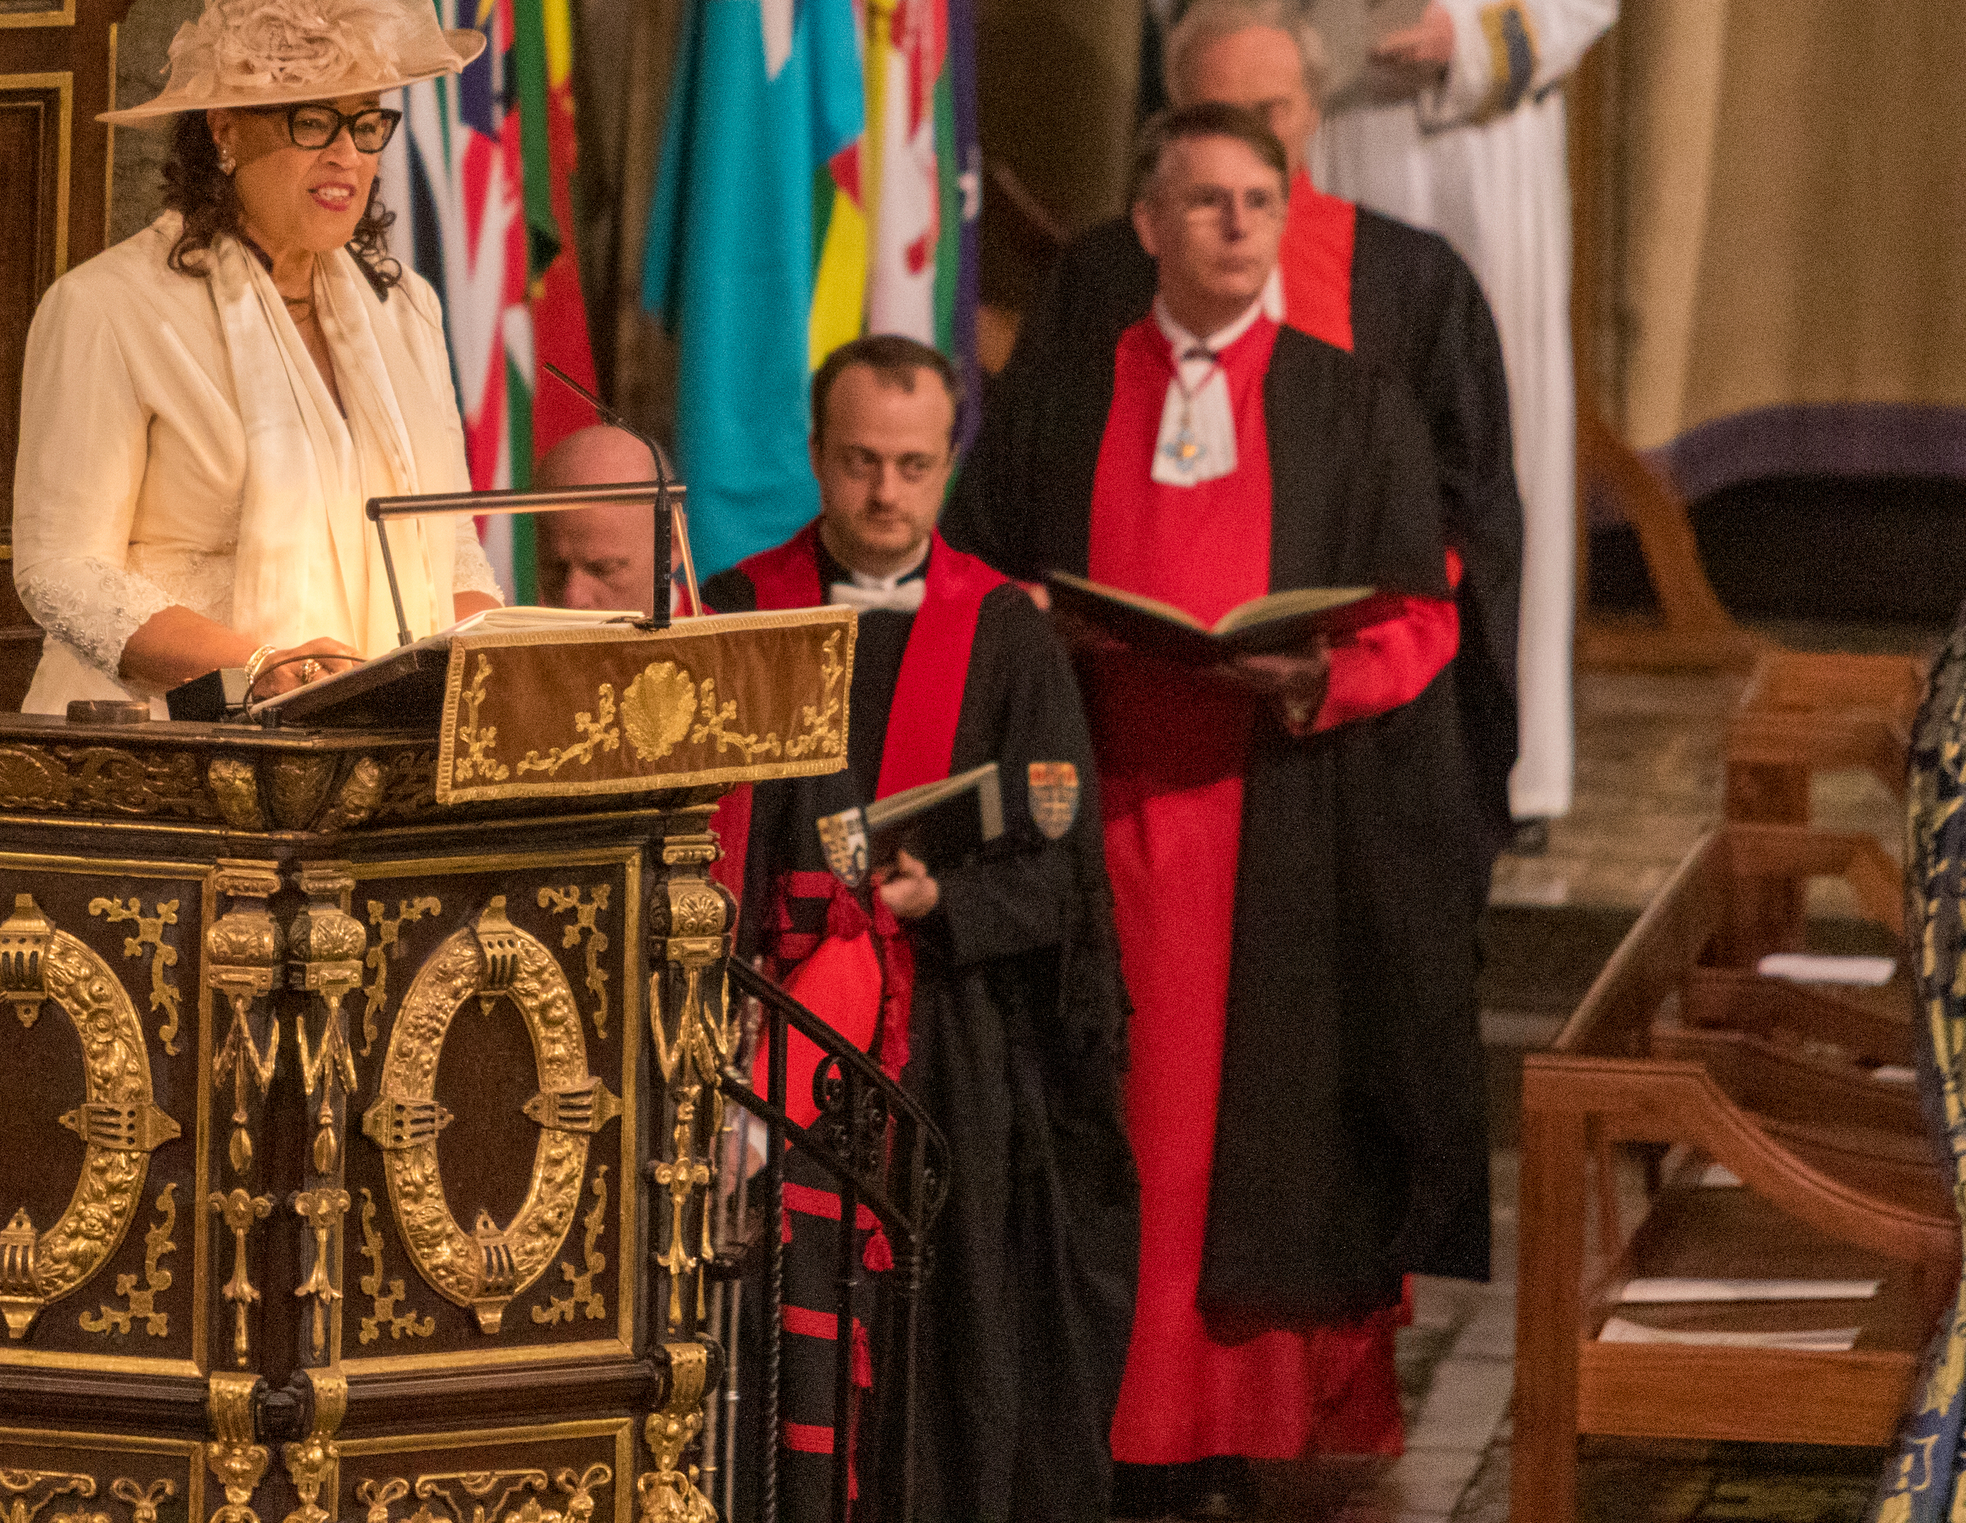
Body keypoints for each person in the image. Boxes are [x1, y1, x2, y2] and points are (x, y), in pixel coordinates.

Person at [949, 106, 1489, 1520]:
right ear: (1148, 228)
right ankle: (1106, 1422)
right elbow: (976, 577)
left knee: (1231, 1143)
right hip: (1095, 812)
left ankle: (1219, 1432)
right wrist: (1043, 633)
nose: (1239, 225)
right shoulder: (1064, 394)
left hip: (1274, 830)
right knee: (1111, 1119)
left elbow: (1425, 618)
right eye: (1206, 201)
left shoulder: (1349, 402)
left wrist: (1312, 673)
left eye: (1261, 200)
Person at [1149, 0, 1619, 828]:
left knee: (1478, 424)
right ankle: (1293, 688)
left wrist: (1467, 31)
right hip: (1312, 149)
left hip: (1466, 153)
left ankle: (1505, 745)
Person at [705, 335, 1137, 1523]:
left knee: (936, 1337)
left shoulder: (1002, 632)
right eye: (856, 463)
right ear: (814, 455)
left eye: (911, 465)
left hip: (947, 1049)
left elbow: (1065, 875)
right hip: (766, 1031)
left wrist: (946, 901)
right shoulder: (745, 610)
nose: (884, 494)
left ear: (949, 463)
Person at [1007, 0, 1523, 856]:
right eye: (1214, 115)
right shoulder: (1102, 277)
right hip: (1119, 725)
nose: (1246, 142)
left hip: (1337, 738)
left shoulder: (1410, 282)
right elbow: (1026, 487)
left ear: (1316, 112)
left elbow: (1470, 511)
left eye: (1271, 112)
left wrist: (1361, 650)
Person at [11, 0, 502, 714]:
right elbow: (61, 572)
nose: (347, 154)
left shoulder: (406, 306)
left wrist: (512, 661)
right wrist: (262, 662)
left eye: (367, 123)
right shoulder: (105, 306)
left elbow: (448, 551)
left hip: (366, 747)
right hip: (156, 744)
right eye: (313, 123)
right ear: (226, 130)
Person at [534, 424, 662, 613]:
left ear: (672, 545)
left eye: (604, 568)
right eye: (555, 570)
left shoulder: (721, 643)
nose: (574, 600)